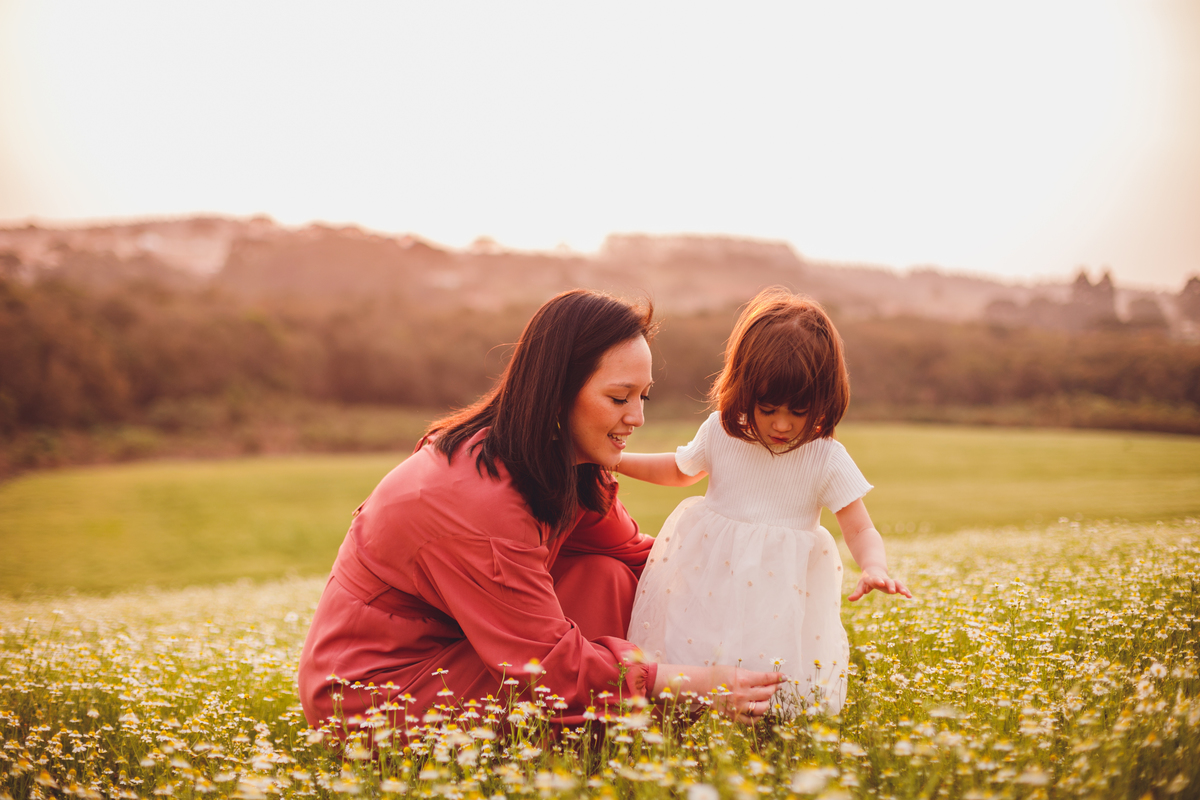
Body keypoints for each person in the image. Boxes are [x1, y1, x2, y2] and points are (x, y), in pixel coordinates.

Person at [297, 289, 785, 737]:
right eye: (619, 398)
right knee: (588, 665)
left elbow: (643, 561)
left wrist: (753, 587)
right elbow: (547, 668)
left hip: (461, 654)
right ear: (557, 392)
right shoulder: (475, 502)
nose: (637, 417)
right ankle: (614, 755)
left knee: (609, 576)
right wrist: (694, 683)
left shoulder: (563, 463)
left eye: (643, 397)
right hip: (378, 700)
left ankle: (621, 743)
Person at [619, 287, 911, 715]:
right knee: (691, 651)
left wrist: (874, 567)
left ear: (825, 399)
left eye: (798, 410)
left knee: (770, 681)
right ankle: (687, 721)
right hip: (709, 574)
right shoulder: (722, 430)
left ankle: (761, 736)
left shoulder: (826, 457)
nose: (781, 424)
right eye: (768, 407)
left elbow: (860, 527)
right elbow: (679, 470)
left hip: (779, 594)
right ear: (743, 386)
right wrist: (615, 460)